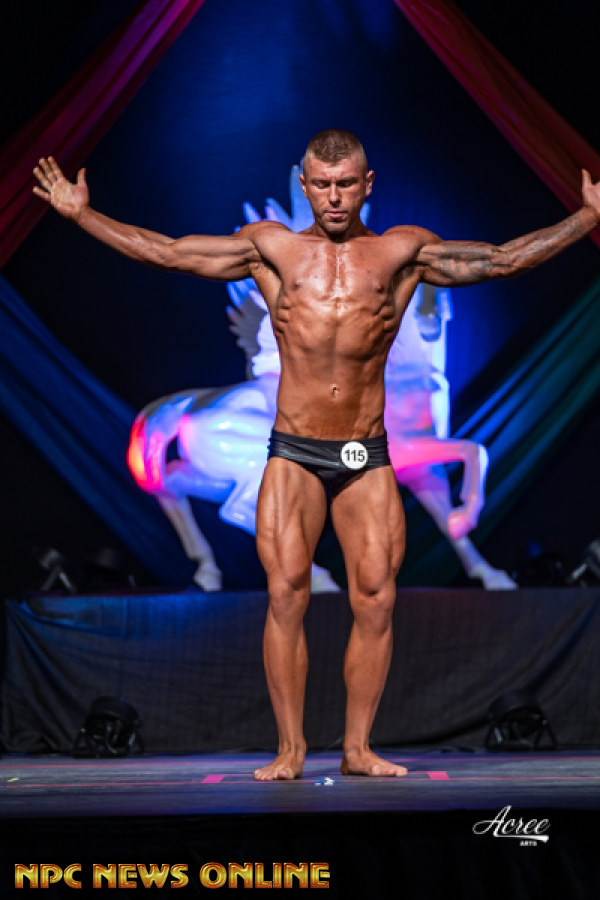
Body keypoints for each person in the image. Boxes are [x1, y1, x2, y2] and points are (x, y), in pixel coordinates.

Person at [33, 130, 600, 781]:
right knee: (286, 596)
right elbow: (168, 252)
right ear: (305, 186)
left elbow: (502, 260)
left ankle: (358, 749)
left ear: (367, 184)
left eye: (346, 184)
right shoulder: (272, 250)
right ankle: (291, 749)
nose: (333, 197)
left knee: (376, 599)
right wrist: (83, 216)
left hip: (366, 452)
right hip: (295, 451)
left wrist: (586, 218)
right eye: (322, 185)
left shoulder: (401, 252)